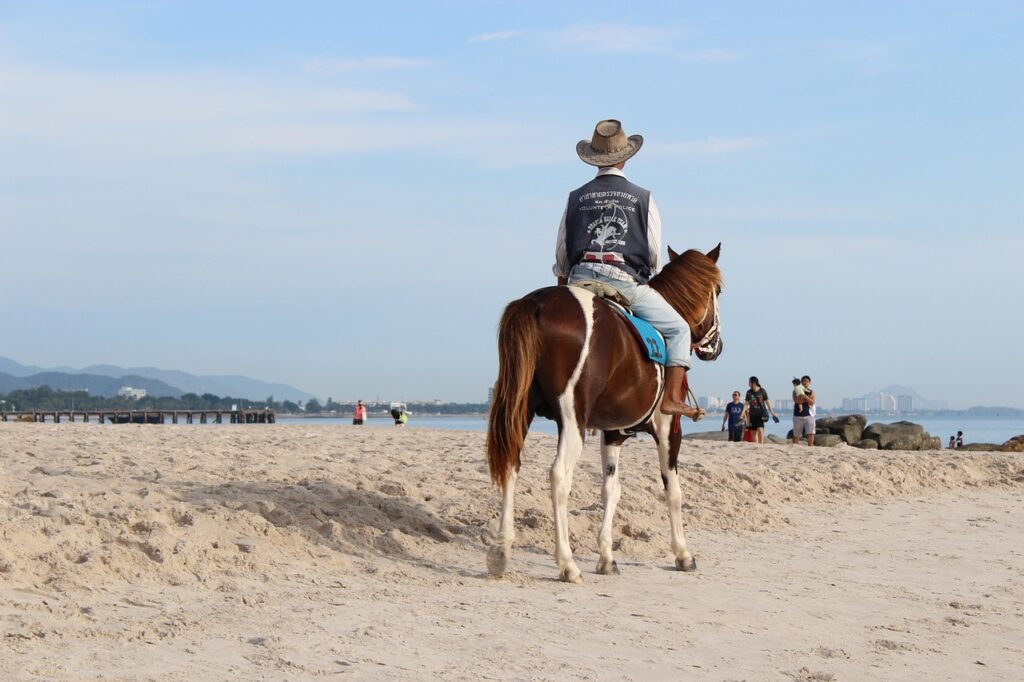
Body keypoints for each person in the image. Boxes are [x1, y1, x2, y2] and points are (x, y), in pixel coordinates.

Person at [553, 119, 702, 420]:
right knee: (680, 329)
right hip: (624, 283)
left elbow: (562, 255)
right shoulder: (643, 198)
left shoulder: (575, 198)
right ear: (626, 157)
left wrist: (564, 287)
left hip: (579, 281)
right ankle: (672, 399)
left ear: (594, 160)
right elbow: (654, 256)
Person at [744, 376, 778, 444]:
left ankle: (761, 445)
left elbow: (768, 403)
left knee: (760, 429)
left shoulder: (762, 391)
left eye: (749, 382)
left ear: (754, 383)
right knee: (753, 431)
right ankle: (756, 445)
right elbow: (746, 404)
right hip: (752, 414)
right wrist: (742, 413)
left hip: (761, 413)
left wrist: (772, 413)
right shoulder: (749, 392)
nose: (748, 384)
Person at [792, 375, 816, 446]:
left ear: (809, 383)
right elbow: (796, 400)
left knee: (810, 433)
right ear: (801, 382)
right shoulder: (795, 390)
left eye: (807, 381)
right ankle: (795, 447)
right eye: (804, 381)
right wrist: (807, 399)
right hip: (797, 415)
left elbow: (812, 402)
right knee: (796, 434)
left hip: (809, 415)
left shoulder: (812, 392)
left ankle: (810, 447)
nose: (805, 382)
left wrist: (805, 397)